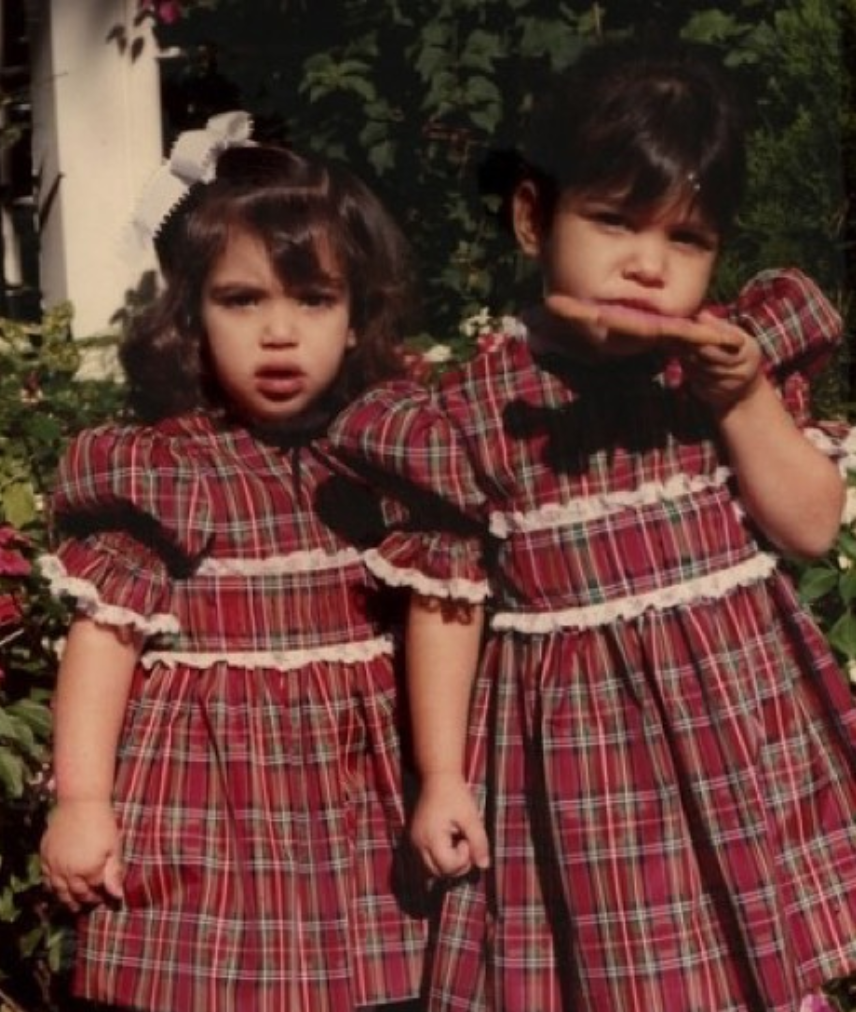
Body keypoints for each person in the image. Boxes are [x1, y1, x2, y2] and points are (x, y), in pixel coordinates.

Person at [328, 41, 856, 1012]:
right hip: (582, 757)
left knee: (756, 960)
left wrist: (741, 401)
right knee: (622, 974)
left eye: (686, 240)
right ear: (535, 216)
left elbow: (813, 527)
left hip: (738, 730)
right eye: (613, 223)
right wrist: (441, 775)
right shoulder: (476, 409)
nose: (648, 265)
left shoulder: (721, 365)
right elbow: (445, 604)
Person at [39, 114, 427, 1012]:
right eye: (243, 300)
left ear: (357, 311)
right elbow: (106, 643)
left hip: (356, 802)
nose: (280, 333)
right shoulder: (170, 470)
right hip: (206, 807)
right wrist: (83, 802)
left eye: (313, 299)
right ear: (190, 315)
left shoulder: (388, 457)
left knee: (378, 982)